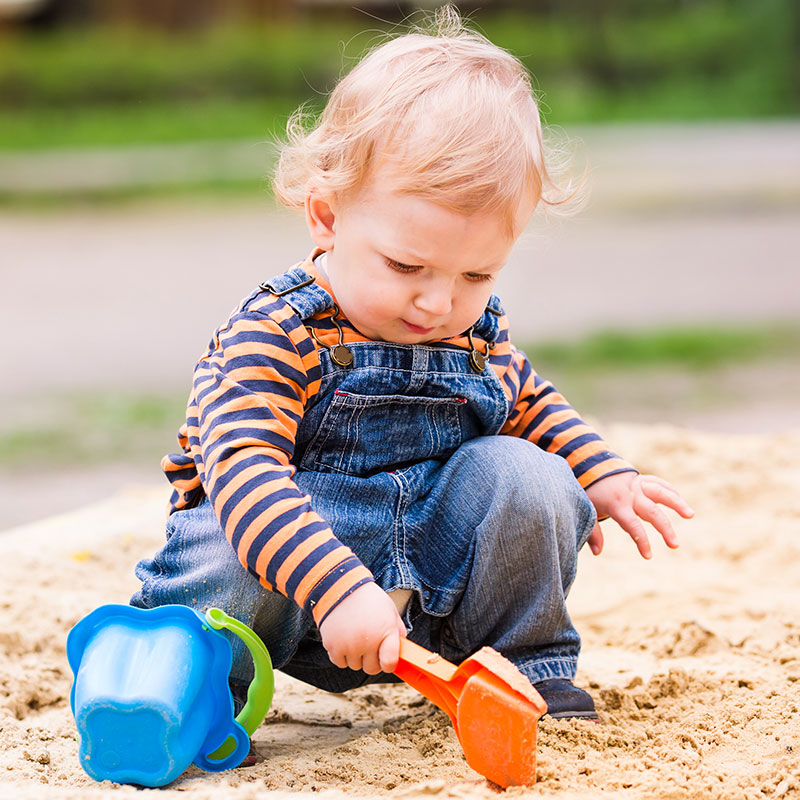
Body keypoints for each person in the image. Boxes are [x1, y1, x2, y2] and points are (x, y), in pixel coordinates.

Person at [131, 8, 693, 724]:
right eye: (407, 265)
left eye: (476, 275)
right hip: (287, 584)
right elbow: (243, 472)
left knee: (532, 478)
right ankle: (189, 679)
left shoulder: (473, 336)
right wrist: (333, 587)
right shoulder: (277, 334)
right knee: (228, 549)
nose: (437, 302)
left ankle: (518, 672)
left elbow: (528, 400)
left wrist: (604, 473)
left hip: (423, 585)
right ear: (327, 218)